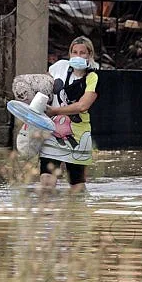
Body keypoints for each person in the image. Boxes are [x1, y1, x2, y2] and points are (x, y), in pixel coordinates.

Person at [40, 36, 98, 193]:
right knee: (46, 180)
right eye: (74, 52)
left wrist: (54, 111)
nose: (78, 56)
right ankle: (49, 209)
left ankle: (79, 209)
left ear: (89, 55)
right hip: (51, 131)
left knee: (76, 185)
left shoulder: (93, 77)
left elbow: (82, 106)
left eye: (82, 53)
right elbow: (43, 88)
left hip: (78, 136)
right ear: (70, 53)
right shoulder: (58, 67)